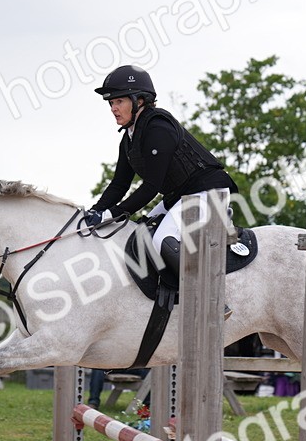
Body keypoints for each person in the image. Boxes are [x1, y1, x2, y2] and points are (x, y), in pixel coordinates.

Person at [87, 65, 238, 315]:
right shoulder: (129, 138)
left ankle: (212, 298)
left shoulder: (157, 127)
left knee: (160, 240)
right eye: (110, 102)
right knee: (141, 230)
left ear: (140, 101)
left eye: (119, 101)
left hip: (207, 190)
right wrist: (95, 211)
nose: (113, 108)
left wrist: (110, 213)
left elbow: (151, 188)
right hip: (180, 196)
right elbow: (119, 184)